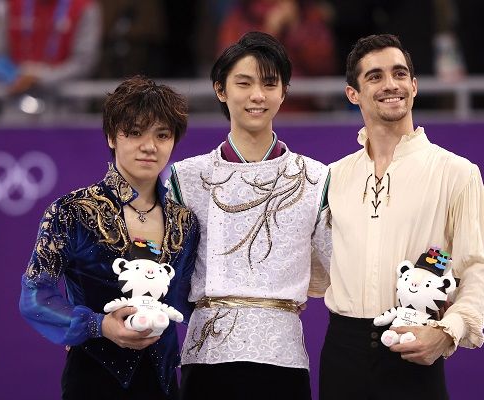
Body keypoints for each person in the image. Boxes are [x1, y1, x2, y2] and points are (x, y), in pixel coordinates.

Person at [319, 34, 484, 399]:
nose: (391, 85)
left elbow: (480, 267)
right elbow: (314, 265)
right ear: (352, 93)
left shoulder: (456, 172)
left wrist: (447, 331)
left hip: (414, 347)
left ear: (414, 86)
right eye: (375, 76)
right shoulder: (332, 176)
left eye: (399, 74)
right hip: (341, 353)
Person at [167, 31, 331, 400]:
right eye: (244, 83)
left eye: (269, 84)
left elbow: (336, 268)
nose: (257, 95)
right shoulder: (187, 177)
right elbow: (167, 267)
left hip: (283, 356)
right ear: (220, 90)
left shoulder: (314, 177)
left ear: (284, 92)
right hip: (207, 354)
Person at [19, 76, 199, 399]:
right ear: (111, 137)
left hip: (163, 384)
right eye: (135, 132)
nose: (150, 146)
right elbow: (34, 297)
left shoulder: (184, 221)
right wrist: (98, 325)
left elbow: (188, 301)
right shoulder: (72, 211)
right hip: (92, 380)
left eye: (162, 135)